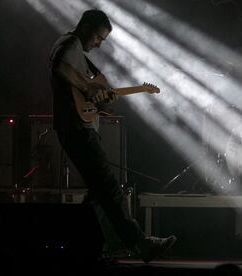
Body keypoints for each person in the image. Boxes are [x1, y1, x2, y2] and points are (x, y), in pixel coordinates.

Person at [48, 9, 176, 263]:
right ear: (85, 26)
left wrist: (101, 101)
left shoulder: (79, 55)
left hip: (75, 127)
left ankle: (102, 246)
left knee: (98, 192)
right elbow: (59, 66)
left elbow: (88, 98)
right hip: (77, 129)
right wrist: (88, 88)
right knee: (109, 187)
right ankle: (141, 243)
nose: (98, 44)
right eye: (98, 37)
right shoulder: (70, 43)